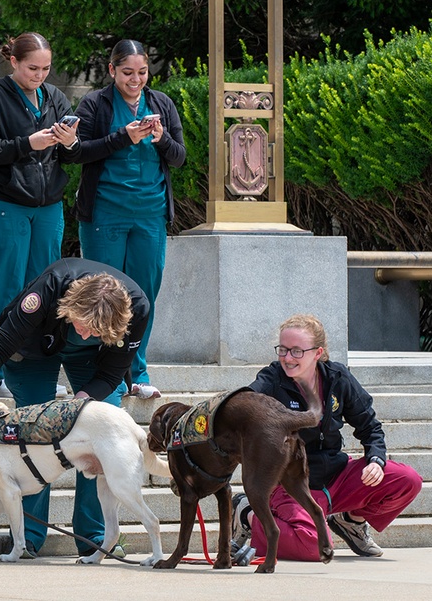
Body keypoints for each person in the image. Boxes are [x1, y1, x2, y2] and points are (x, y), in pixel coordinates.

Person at [0, 258, 149, 557]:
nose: (87, 333)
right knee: (30, 436)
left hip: (93, 361)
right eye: (84, 326)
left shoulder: (137, 308)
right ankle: (27, 539)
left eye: (95, 330)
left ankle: (97, 538)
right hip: (34, 349)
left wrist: (79, 407)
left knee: (100, 433)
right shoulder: (50, 288)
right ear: (72, 306)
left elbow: (110, 373)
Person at [231, 314, 422, 561]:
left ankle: (351, 522)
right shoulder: (271, 380)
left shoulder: (337, 377)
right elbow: (245, 400)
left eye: (297, 351)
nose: (288, 358)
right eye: (283, 350)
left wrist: (375, 459)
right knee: (314, 547)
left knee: (408, 480)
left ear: (317, 352)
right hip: (292, 485)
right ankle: (247, 512)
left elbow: (371, 427)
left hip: (335, 476)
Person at [73, 39, 187, 400]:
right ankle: (102, 375)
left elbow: (181, 156)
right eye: (126, 73)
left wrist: (160, 137)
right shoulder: (95, 104)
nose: (135, 80)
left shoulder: (162, 104)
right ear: (111, 70)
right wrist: (123, 137)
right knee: (103, 294)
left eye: (141, 72)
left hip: (150, 214)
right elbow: (78, 152)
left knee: (143, 296)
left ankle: (135, 372)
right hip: (105, 211)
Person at [0, 32, 81, 399]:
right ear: (13, 62)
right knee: (6, 285)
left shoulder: (55, 97)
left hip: (47, 204)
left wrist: (69, 143)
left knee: (47, 289)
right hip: (6, 203)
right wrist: (27, 143)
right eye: (32, 67)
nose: (40, 75)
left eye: (46, 68)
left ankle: (38, 365)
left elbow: (69, 155)